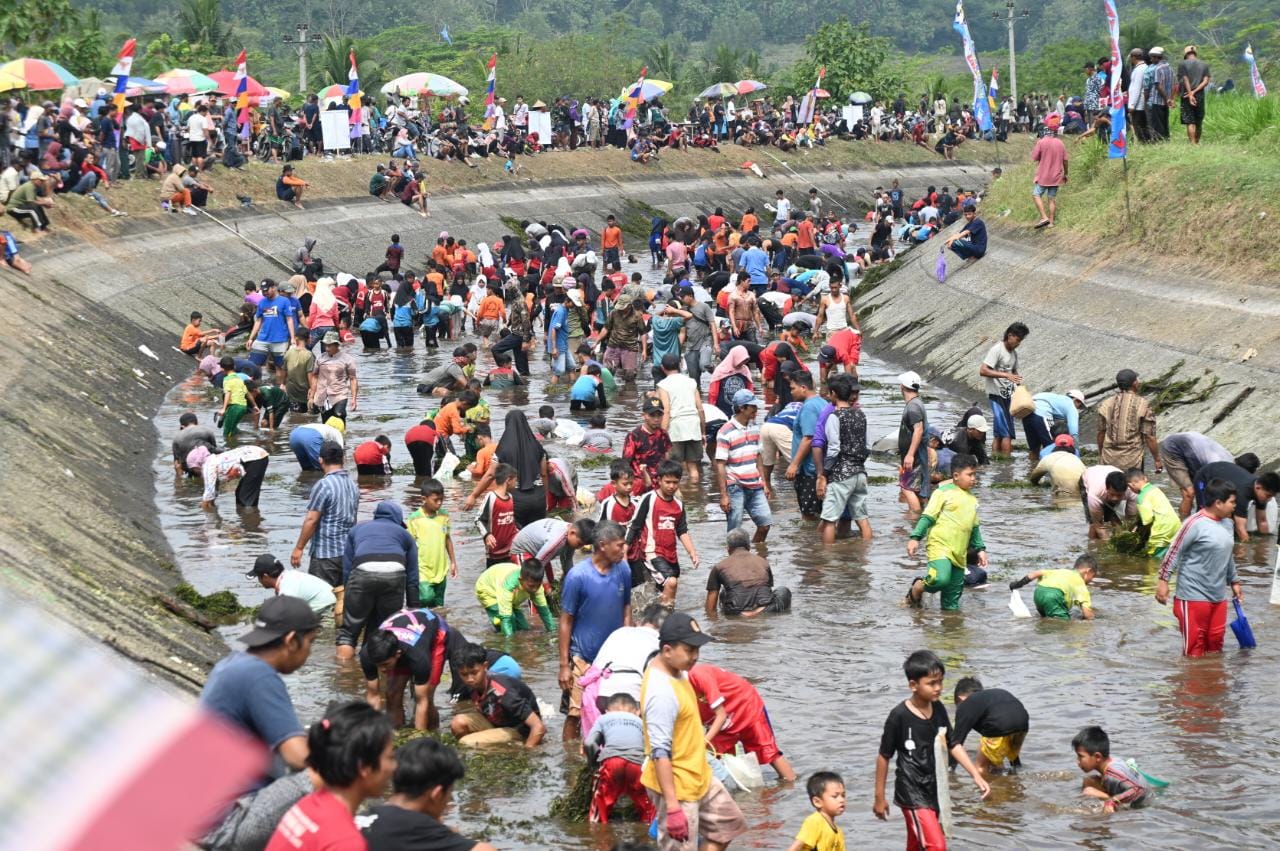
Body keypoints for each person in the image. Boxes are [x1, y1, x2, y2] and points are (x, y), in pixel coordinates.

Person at [198, 596, 320, 851]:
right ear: (291, 641)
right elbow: (299, 757)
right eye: (310, 643)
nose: (309, 652)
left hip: (201, 811)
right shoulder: (259, 676)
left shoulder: (233, 664)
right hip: (223, 822)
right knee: (326, 774)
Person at [641, 612, 747, 850]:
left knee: (727, 826)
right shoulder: (660, 692)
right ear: (667, 650)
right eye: (689, 650)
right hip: (677, 784)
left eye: (697, 649)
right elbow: (659, 752)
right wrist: (673, 806)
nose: (695, 656)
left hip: (699, 773)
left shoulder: (677, 671)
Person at [872, 651, 990, 848]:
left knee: (916, 844)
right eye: (931, 683)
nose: (938, 688)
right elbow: (884, 756)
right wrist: (879, 797)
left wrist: (976, 775)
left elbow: (953, 744)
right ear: (913, 685)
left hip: (934, 788)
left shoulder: (939, 709)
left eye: (941, 682)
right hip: (912, 791)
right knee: (936, 845)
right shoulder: (899, 716)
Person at [263, 701, 395, 851]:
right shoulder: (346, 842)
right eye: (390, 757)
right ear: (363, 767)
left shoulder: (308, 803)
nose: (394, 766)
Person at [559, 521, 633, 741]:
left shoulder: (624, 570)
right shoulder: (577, 576)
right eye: (619, 545)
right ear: (602, 545)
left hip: (614, 658)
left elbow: (626, 607)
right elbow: (565, 621)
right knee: (574, 713)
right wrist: (564, 665)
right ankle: (570, 761)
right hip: (582, 657)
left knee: (614, 710)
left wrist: (629, 643)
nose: (623, 550)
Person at [361, 737, 499, 851]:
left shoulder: (360, 819)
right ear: (437, 794)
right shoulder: (421, 831)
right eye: (449, 795)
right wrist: (444, 836)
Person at [1157, 478, 1244, 656]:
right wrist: (1163, 581)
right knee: (1194, 650)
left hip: (1218, 596)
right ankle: (1191, 683)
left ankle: (1212, 682)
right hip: (1192, 595)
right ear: (1218, 503)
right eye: (1232, 502)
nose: (1235, 506)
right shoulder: (1194, 523)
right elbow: (1174, 551)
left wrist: (1234, 581)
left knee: (1215, 645)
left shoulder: (1228, 523)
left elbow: (1227, 555)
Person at [339, 501, 420, 661]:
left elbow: (347, 568)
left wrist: (349, 596)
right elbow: (413, 576)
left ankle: (345, 675)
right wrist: (414, 608)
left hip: (362, 572)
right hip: (394, 575)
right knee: (384, 629)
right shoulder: (405, 535)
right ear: (398, 519)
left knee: (349, 632)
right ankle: (377, 674)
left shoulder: (357, 529)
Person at [905, 454, 986, 611]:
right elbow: (928, 517)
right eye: (969, 474)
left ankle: (950, 632)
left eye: (975, 474)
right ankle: (917, 587)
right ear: (956, 475)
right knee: (939, 579)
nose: (973, 478)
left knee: (952, 600)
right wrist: (915, 537)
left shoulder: (973, 500)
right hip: (940, 546)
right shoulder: (942, 493)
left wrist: (981, 549)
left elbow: (974, 528)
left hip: (959, 553)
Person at [688, 663, 796, 780]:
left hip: (745, 707)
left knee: (767, 750)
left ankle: (791, 783)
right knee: (716, 756)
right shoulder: (674, 691)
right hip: (717, 719)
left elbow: (721, 715)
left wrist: (703, 742)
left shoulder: (698, 674)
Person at [291, 439, 359, 623]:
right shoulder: (353, 486)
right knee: (341, 602)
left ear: (321, 460)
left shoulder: (324, 485)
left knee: (318, 603)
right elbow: (354, 519)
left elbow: (312, 519)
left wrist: (299, 548)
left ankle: (318, 642)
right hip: (347, 553)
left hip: (325, 554)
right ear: (342, 459)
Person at [359, 607, 450, 730]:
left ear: (397, 654)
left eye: (385, 665)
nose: (382, 670)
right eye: (378, 665)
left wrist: (419, 738)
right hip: (403, 634)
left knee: (426, 696)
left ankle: (433, 735)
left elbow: (422, 702)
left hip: (435, 631)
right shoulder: (367, 655)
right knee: (392, 693)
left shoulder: (418, 657)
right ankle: (396, 731)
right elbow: (373, 696)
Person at [627, 460, 700, 607]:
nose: (671, 486)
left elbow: (682, 530)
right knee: (671, 582)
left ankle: (651, 613)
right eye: (668, 482)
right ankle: (664, 618)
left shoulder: (679, 504)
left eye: (675, 482)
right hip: (651, 552)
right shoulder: (649, 499)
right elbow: (635, 526)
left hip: (671, 554)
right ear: (659, 480)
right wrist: (624, 550)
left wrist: (692, 552)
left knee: (663, 590)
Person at [449, 642, 546, 748]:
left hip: (517, 730)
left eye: (474, 672)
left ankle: (511, 750)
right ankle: (488, 750)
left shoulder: (502, 691)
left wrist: (527, 751)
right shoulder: (472, 685)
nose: (470, 679)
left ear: (485, 666)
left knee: (467, 742)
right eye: (464, 674)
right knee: (457, 723)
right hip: (496, 723)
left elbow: (538, 727)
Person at [464, 410, 550, 527]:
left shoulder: (502, 448)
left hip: (516, 500)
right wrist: (545, 497)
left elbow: (490, 475)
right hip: (538, 498)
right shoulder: (537, 446)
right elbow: (544, 474)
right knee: (536, 535)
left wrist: (474, 495)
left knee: (517, 538)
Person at [814, 375, 871, 543]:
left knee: (830, 520)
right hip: (860, 473)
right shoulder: (861, 415)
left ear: (834, 393)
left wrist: (824, 473)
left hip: (841, 475)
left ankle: (828, 558)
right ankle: (866, 554)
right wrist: (857, 462)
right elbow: (867, 446)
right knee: (862, 518)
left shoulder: (835, 416)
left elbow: (833, 449)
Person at [585, 692, 656, 824]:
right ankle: (648, 835)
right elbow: (651, 748)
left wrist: (593, 765)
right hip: (638, 765)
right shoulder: (641, 722)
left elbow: (589, 743)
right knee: (647, 807)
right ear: (637, 712)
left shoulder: (603, 719)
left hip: (612, 762)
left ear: (607, 711)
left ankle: (599, 837)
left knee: (601, 808)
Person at [714, 389, 773, 541]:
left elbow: (758, 456)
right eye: (753, 407)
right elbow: (720, 464)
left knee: (765, 524)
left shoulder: (754, 428)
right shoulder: (725, 431)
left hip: (755, 485)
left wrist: (764, 483)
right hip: (735, 486)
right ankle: (734, 559)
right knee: (734, 530)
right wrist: (723, 495)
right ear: (742, 408)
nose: (756, 410)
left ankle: (753, 552)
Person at [951, 678, 1030, 777]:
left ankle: (988, 790)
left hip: (999, 725)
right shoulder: (990, 698)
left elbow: (956, 743)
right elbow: (1008, 727)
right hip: (1023, 722)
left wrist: (950, 773)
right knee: (995, 761)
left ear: (960, 698)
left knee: (980, 768)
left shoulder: (967, 704)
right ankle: (1012, 781)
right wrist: (1016, 765)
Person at [704, 527, 791, 616]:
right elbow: (767, 590)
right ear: (749, 547)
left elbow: (710, 608)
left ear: (728, 549)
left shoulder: (719, 567)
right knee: (783, 591)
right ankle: (756, 612)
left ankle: (746, 614)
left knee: (724, 592)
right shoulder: (763, 562)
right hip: (766, 609)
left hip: (736, 612)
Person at [1191, 460, 1279, 542]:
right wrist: (1245, 548)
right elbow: (1241, 529)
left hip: (1225, 479)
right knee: (1204, 514)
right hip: (1205, 477)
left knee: (1229, 519)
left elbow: (1262, 521)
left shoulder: (1262, 494)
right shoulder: (1243, 494)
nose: (1269, 499)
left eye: (1272, 496)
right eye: (1268, 495)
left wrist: (1264, 544)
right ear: (1258, 487)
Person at [406, 479, 458, 609]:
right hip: (422, 569)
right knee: (426, 597)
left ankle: (438, 626)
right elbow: (408, 545)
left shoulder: (444, 516)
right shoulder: (414, 518)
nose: (439, 503)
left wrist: (453, 562)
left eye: (442, 499)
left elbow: (447, 539)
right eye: (435, 500)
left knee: (439, 605)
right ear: (424, 498)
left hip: (440, 568)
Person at [1097, 369, 1161, 473]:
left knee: (1111, 488)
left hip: (1108, 459)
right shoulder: (1143, 404)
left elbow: (1101, 433)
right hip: (1132, 460)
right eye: (1137, 380)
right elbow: (1149, 436)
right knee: (1133, 488)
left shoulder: (1106, 403)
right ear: (1135, 383)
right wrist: (1157, 460)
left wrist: (1101, 455)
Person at [1071, 726, 1149, 812]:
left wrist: (1112, 802)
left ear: (1097, 757)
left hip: (1140, 804)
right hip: (1131, 791)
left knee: (1088, 791)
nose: (1078, 761)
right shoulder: (1113, 761)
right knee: (1089, 781)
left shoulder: (1113, 774)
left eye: (1080, 756)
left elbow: (1138, 789)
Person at [979, 323, 1027, 457]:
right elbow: (983, 370)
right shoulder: (997, 350)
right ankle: (1007, 467)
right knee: (1006, 434)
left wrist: (1020, 390)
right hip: (996, 396)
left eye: (1020, 341)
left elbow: (1014, 372)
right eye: (1018, 340)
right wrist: (1006, 375)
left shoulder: (1014, 354)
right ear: (1010, 335)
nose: (1018, 343)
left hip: (1008, 396)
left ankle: (996, 461)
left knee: (999, 434)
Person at [786, 372, 828, 522]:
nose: (791, 392)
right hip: (822, 466)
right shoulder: (823, 403)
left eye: (793, 388)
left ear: (803, 388)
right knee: (824, 512)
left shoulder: (809, 407)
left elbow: (808, 438)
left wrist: (794, 464)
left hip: (809, 469)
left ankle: (812, 544)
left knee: (809, 514)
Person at [1159, 431, 1234, 516]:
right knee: (1189, 493)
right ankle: (1184, 523)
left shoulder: (1231, 463)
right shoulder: (1218, 467)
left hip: (1194, 451)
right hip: (1173, 448)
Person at [658, 353, 706, 483]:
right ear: (680, 365)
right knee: (693, 467)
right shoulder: (691, 382)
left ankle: (680, 499)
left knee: (673, 468)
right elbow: (700, 409)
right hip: (693, 426)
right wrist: (703, 432)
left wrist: (661, 435)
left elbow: (666, 411)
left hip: (676, 428)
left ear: (663, 368)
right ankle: (695, 494)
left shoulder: (663, 385)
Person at [474, 559, 555, 636]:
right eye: (531, 586)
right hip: (488, 589)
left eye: (537, 586)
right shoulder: (508, 586)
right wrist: (510, 643)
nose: (534, 589)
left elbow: (544, 612)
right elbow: (506, 618)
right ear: (520, 580)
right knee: (509, 624)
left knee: (524, 628)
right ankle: (497, 628)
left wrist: (552, 632)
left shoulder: (536, 587)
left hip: (508, 589)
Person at [1009, 554, 1098, 620]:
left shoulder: (1060, 571)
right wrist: (1094, 618)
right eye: (1093, 576)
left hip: (1039, 592)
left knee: (1044, 619)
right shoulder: (1080, 584)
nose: (1092, 580)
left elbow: (1037, 573)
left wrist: (1018, 584)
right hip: (1054, 596)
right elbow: (1086, 614)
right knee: (1063, 623)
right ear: (1088, 571)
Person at [510, 517, 596, 583]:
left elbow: (567, 559)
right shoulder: (557, 541)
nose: (579, 547)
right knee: (530, 582)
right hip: (522, 550)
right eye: (579, 544)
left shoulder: (571, 531)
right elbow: (537, 567)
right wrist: (548, 590)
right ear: (572, 532)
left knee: (551, 581)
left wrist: (571, 579)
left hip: (540, 552)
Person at [249, 553, 337, 615]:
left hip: (328, 612)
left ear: (265, 576)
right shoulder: (288, 576)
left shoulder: (286, 588)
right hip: (330, 604)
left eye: (258, 577)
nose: (259, 581)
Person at [246, 279, 297, 384]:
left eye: (267, 290)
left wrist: (292, 338)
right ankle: (256, 388)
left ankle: (281, 388)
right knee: (254, 365)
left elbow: (289, 319)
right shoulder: (262, 302)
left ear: (273, 288)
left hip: (280, 340)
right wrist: (251, 338)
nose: (265, 293)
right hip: (262, 339)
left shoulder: (284, 301)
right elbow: (258, 321)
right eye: (263, 291)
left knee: (280, 367)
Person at [1126, 469, 1181, 557]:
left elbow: (1147, 520)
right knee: (1170, 556)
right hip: (1175, 525)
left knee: (1154, 560)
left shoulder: (1141, 497)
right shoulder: (1155, 489)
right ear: (1145, 478)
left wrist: (1140, 537)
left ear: (1131, 485)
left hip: (1162, 529)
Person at [624, 397, 673, 495]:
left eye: (659, 415)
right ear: (644, 416)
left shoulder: (664, 435)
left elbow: (668, 459)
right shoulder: (634, 436)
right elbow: (625, 464)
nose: (656, 419)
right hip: (640, 485)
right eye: (652, 415)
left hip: (660, 484)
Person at [896, 371, 930, 512]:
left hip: (915, 456)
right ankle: (917, 518)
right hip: (915, 455)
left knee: (906, 487)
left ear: (902, 387)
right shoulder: (915, 403)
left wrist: (910, 455)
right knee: (915, 489)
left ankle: (914, 518)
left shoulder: (913, 407)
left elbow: (919, 430)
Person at [197, 444, 270, 510]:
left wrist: (206, 507)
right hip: (256, 455)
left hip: (256, 458)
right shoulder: (213, 459)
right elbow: (213, 487)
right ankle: (248, 515)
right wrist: (210, 502)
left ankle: (249, 517)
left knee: (245, 496)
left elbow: (209, 491)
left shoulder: (209, 466)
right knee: (240, 493)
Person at [786, 771, 846, 851]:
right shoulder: (814, 821)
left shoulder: (839, 833)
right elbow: (796, 846)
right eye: (835, 796)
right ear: (817, 802)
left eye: (843, 795)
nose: (841, 800)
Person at [311, 329, 359, 422]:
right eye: (326, 345)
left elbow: (353, 379)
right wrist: (312, 396)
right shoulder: (320, 358)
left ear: (337, 345)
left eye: (330, 345)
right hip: (323, 395)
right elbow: (314, 376)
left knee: (339, 416)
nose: (327, 348)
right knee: (326, 422)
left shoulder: (347, 359)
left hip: (339, 394)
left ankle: (343, 435)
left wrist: (354, 399)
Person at [1030, 116, 1068, 229]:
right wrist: (1066, 174)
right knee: (1051, 199)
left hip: (1043, 176)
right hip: (1056, 176)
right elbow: (1065, 161)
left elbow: (1034, 158)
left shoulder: (1041, 142)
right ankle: (1051, 222)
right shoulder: (1061, 143)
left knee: (1036, 195)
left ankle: (1044, 217)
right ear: (1056, 130)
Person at [1081, 465, 1136, 539]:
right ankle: (1092, 544)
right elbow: (1098, 525)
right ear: (1107, 488)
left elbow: (1131, 518)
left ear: (1125, 491)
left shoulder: (1132, 491)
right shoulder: (1095, 493)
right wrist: (1107, 544)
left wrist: (1129, 535)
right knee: (1094, 523)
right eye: (1112, 494)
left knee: (1113, 516)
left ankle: (1117, 536)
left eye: (1119, 495)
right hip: (1087, 477)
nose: (1115, 498)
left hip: (1109, 472)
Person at [1177, 45, 1211, 144]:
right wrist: (1195, 92)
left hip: (1186, 95)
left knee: (1190, 121)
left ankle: (1192, 143)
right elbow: (1206, 81)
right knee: (1198, 121)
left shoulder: (1182, 64)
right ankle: (1197, 141)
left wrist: (1191, 94)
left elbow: (1185, 79)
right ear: (1195, 53)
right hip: (1200, 95)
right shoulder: (1204, 65)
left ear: (1186, 54)